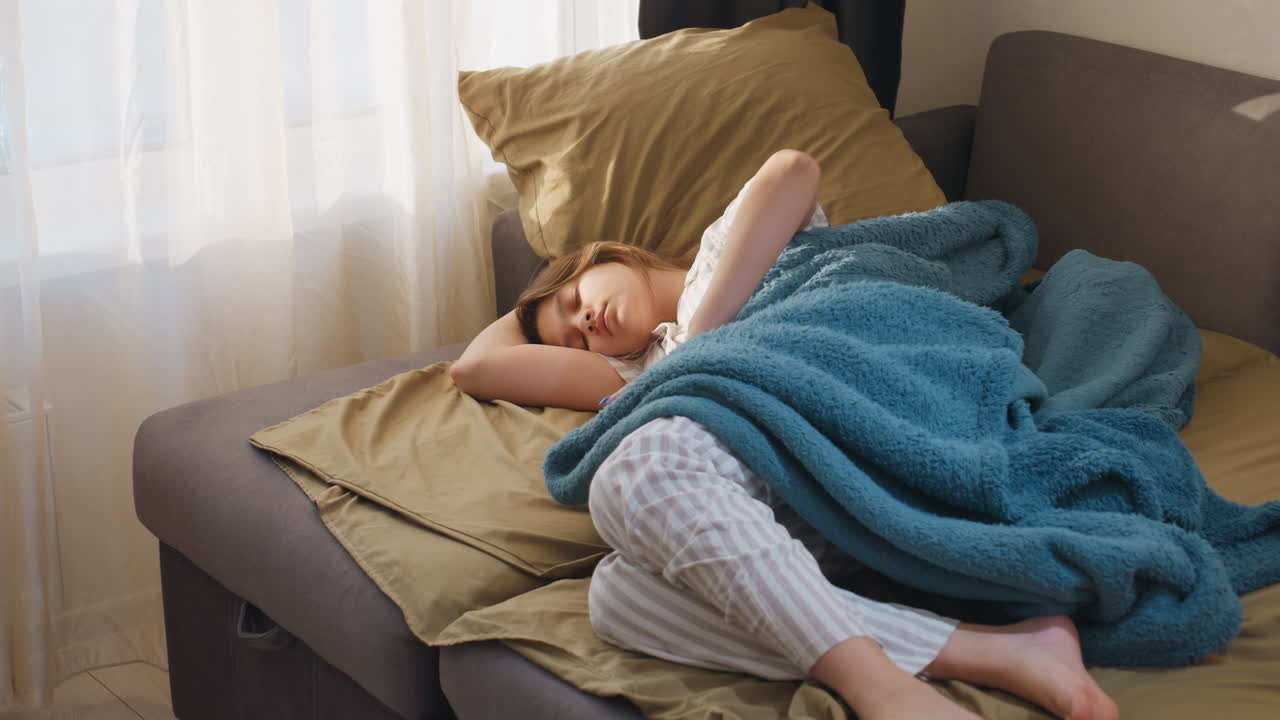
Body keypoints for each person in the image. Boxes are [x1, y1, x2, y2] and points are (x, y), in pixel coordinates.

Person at [451, 150, 1119, 720]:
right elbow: (475, 368)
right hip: (800, 495)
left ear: (604, 257)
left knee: (637, 473)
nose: (582, 322)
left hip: (842, 388)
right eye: (569, 336)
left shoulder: (728, 250)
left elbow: (793, 170)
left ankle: (881, 691)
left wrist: (704, 334)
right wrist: (662, 357)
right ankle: (991, 651)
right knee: (617, 598)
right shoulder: (645, 370)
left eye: (572, 298)